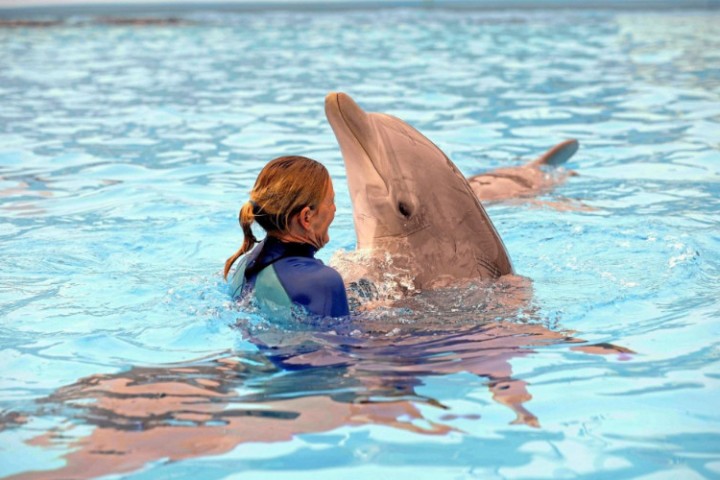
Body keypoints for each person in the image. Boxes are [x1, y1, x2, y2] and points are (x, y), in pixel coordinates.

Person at [224, 156, 349, 319]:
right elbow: (344, 342)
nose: (334, 209)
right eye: (331, 201)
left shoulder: (245, 264)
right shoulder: (323, 281)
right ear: (306, 217)